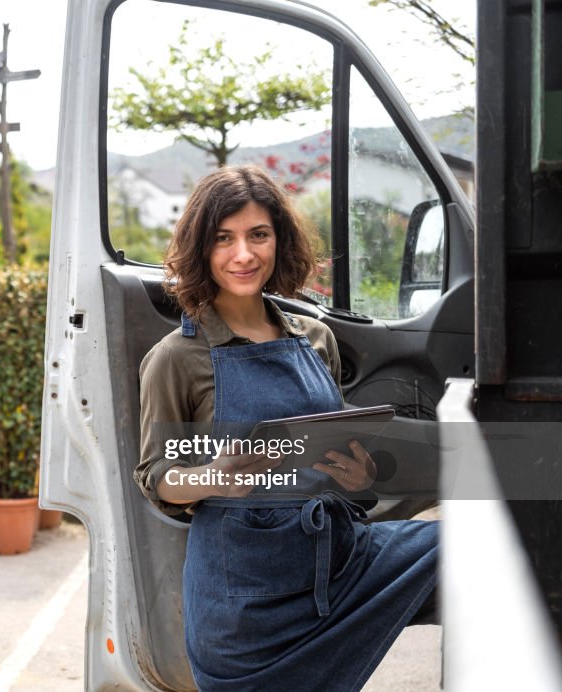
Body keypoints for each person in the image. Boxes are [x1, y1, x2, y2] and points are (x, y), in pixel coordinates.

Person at [135, 165, 438, 691]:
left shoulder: (315, 336)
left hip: (340, 563)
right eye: (223, 239)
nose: (243, 254)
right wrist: (212, 476)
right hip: (247, 606)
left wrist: (357, 475)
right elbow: (155, 477)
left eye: (258, 235)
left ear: (280, 240)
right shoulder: (178, 358)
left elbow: (337, 444)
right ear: (200, 249)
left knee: (473, 548)